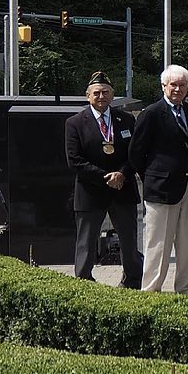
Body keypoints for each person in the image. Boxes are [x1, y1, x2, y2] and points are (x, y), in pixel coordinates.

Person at [64, 70, 142, 289]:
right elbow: (74, 160)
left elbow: (134, 153)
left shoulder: (126, 120)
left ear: (112, 95)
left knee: (129, 241)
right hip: (90, 191)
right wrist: (105, 178)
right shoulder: (75, 123)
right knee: (86, 243)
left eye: (106, 92)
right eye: (97, 93)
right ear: (88, 96)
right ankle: (84, 283)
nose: (101, 97)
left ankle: (132, 282)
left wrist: (122, 174)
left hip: (123, 189)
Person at [129, 64, 188, 294]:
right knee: (158, 243)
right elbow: (135, 153)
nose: (177, 89)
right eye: (173, 85)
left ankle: (186, 288)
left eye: (182, 85)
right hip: (160, 188)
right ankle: (151, 290)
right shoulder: (151, 113)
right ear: (163, 86)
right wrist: (152, 176)